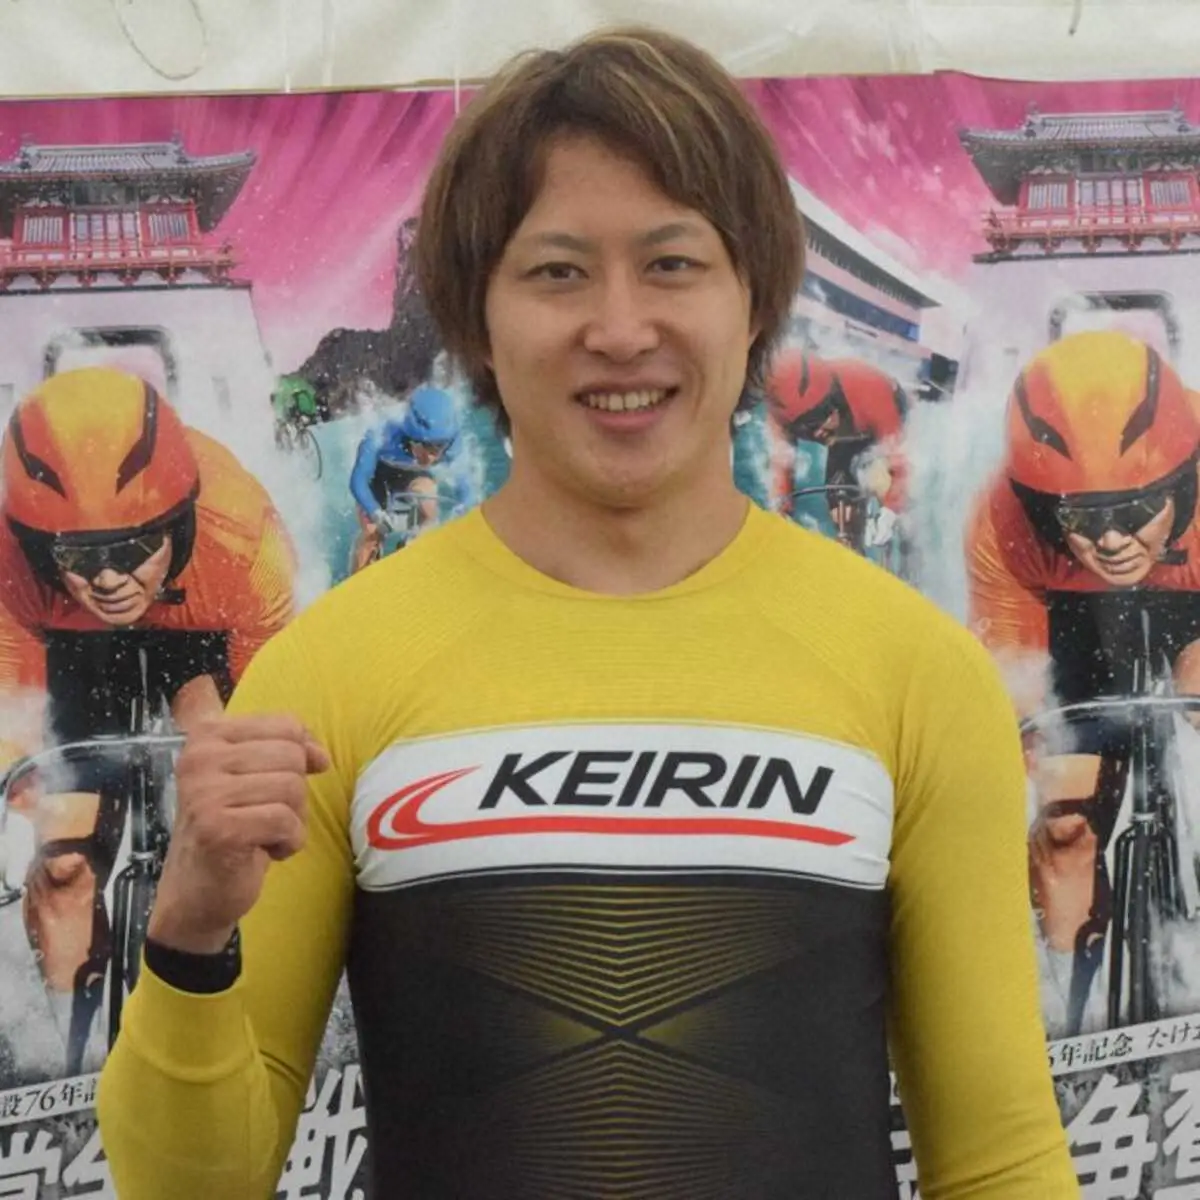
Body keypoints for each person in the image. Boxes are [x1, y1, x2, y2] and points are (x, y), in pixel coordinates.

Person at [97, 25, 1078, 1199]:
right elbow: (192, 1185)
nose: (619, 329)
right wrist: (191, 931)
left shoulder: (914, 669)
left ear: (755, 298)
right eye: (558, 272)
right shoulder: (332, 673)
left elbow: (1001, 1159)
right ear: (476, 318)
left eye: (672, 263)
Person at [0, 366, 297, 1071]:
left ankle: (235, 1009)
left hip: (199, 630)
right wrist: (26, 781)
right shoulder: (13, 558)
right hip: (68, 643)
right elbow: (13, 693)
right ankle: (78, 1069)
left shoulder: (244, 539)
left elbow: (268, 696)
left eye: (133, 547)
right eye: (80, 555)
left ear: (178, 518)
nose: (107, 579)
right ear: (40, 543)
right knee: (65, 865)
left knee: (228, 793)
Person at [965, 329, 1200, 1035]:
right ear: (1043, 506)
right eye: (1083, 518)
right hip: (1069, 612)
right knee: (1064, 826)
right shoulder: (1004, 523)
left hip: (1190, 601)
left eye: (1135, 510)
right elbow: (1014, 682)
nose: (1112, 540)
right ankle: (1073, 1015)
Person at [765, 346, 909, 556]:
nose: (818, 432)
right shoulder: (782, 419)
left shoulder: (872, 392)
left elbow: (903, 466)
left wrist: (890, 511)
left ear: (834, 401)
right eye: (806, 426)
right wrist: (780, 513)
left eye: (820, 417)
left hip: (885, 412)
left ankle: (907, 549)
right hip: (847, 434)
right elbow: (782, 472)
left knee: (883, 483)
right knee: (841, 504)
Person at [347, 383, 471, 571]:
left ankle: (409, 546)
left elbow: (465, 487)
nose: (434, 457)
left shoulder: (452, 443)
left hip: (411, 475)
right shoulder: (382, 433)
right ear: (412, 438)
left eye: (440, 447)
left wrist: (462, 511)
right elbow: (358, 482)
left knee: (429, 504)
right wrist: (375, 512)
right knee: (372, 534)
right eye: (429, 447)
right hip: (378, 476)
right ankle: (358, 579)